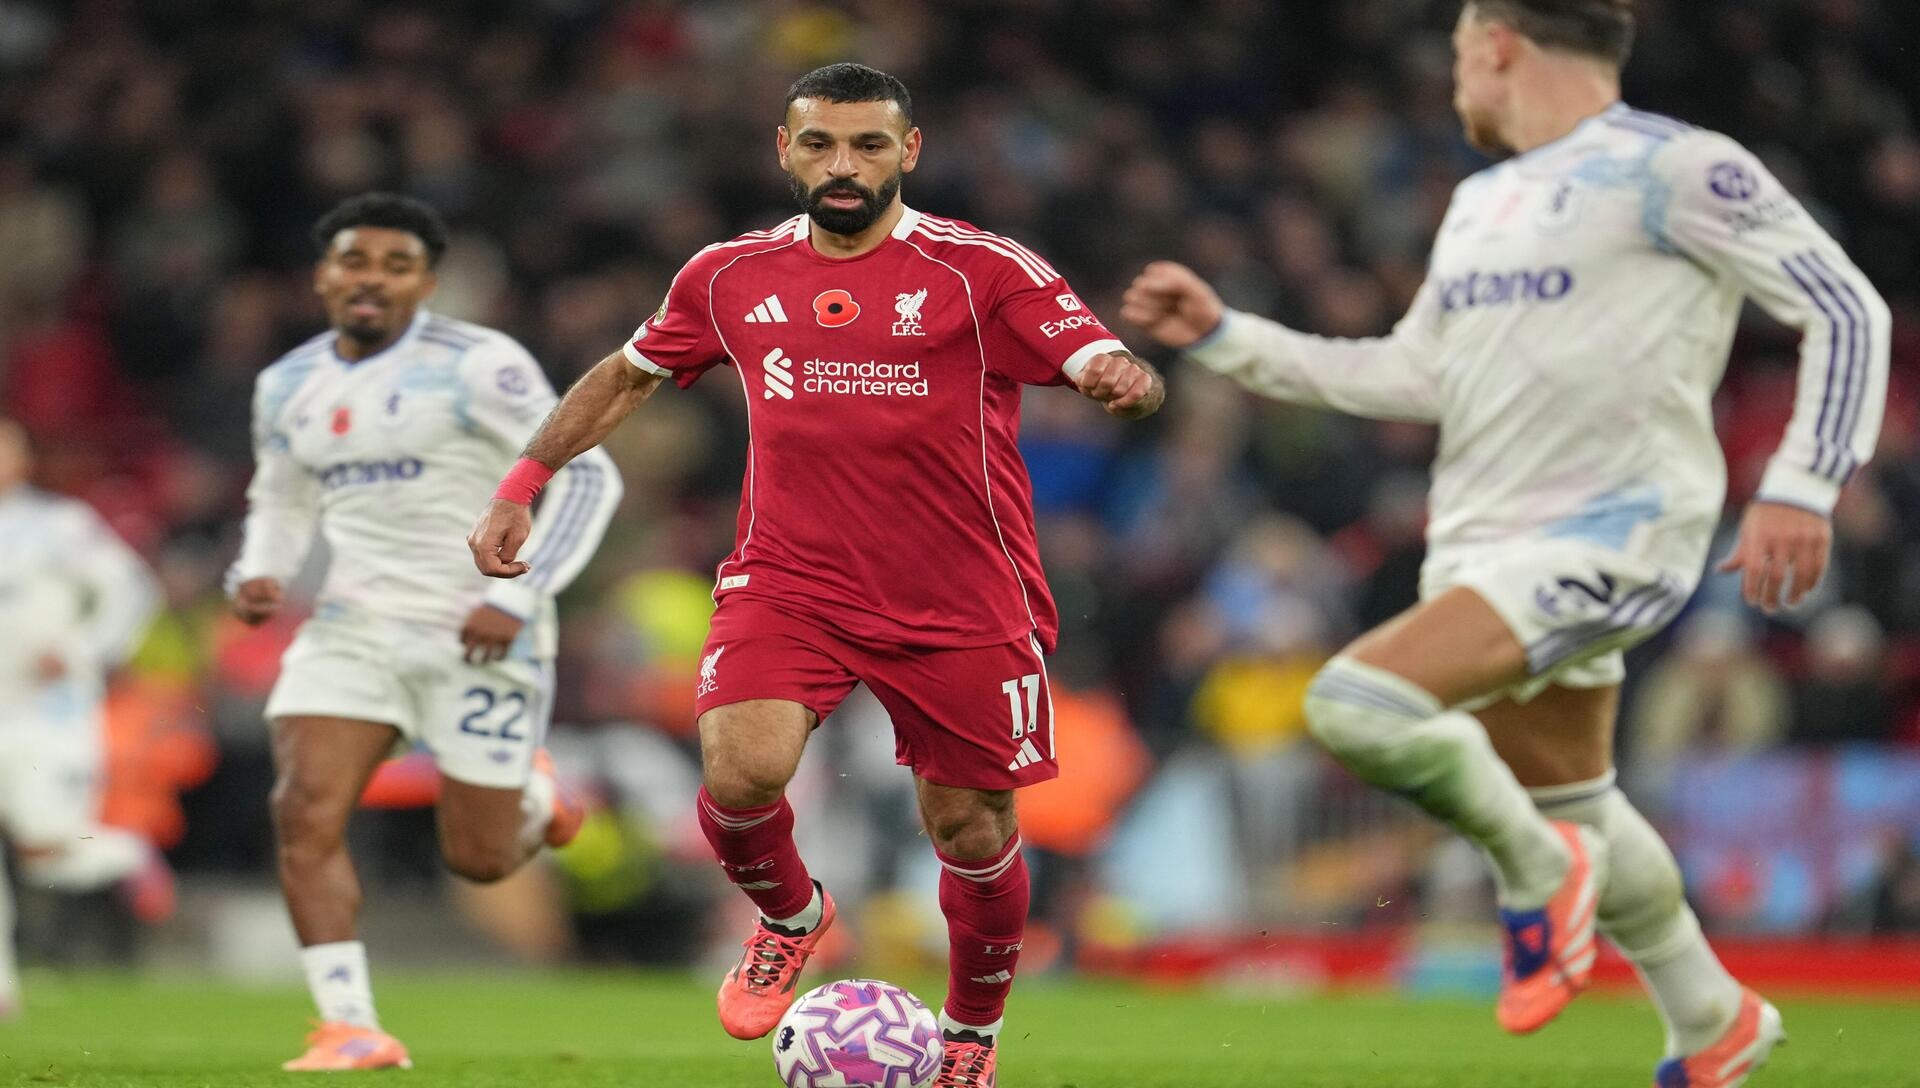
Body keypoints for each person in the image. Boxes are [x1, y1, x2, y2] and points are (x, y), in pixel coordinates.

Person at [1123, 2, 1888, 1085]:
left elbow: (1847, 310)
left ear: (1497, 44)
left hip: (1614, 536)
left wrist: (1804, 483)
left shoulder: (1677, 168)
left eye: (1454, 57)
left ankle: (1536, 872)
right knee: (1578, 800)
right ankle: (1710, 1017)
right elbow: (1414, 374)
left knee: (1356, 700)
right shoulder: (1483, 202)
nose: (1452, 82)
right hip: (1482, 552)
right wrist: (1227, 336)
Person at [469, 63, 1162, 1088]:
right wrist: (525, 479)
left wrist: (1125, 379)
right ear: (785, 150)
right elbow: (628, 374)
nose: (844, 165)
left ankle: (970, 1033)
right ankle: (793, 913)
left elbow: (1112, 364)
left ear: (908, 153)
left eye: (870, 145)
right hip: (791, 579)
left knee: (970, 827)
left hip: (963, 594)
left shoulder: (983, 270)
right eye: (821, 144)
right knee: (738, 769)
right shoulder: (728, 275)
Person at [228, 193, 621, 1071]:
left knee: (479, 860)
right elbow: (281, 497)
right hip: (352, 628)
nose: (371, 279)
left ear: (427, 283)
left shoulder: (479, 365)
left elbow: (591, 480)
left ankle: (533, 801)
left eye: (396, 266)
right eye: (354, 262)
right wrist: (259, 570)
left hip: (479, 632)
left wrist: (516, 601)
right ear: (324, 275)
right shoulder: (287, 383)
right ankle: (350, 1024)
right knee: (303, 809)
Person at [0, 416, 170, 1020]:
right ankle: (3, 989)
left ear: (22, 460)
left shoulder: (58, 526)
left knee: (47, 850)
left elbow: (133, 590)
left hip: (49, 713)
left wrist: (86, 651)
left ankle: (128, 854)